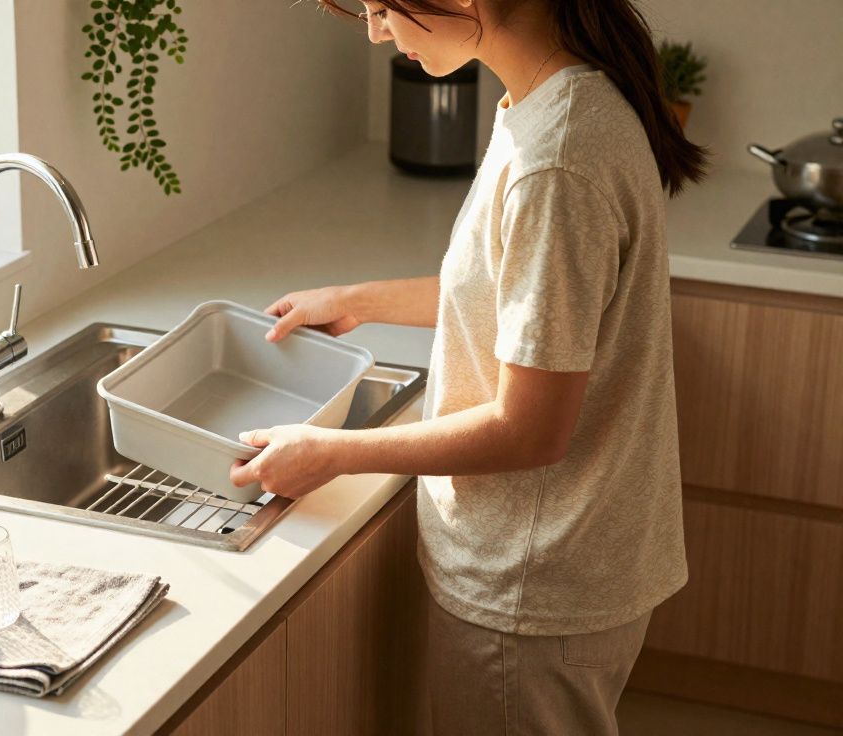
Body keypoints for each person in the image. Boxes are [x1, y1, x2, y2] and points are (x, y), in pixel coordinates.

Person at [229, 1, 706, 732]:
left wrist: (329, 452)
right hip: (575, 557)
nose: (375, 31)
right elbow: (517, 296)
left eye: (385, 6)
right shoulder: (560, 97)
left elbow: (529, 429)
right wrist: (356, 300)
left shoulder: (558, 157)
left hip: (532, 582)